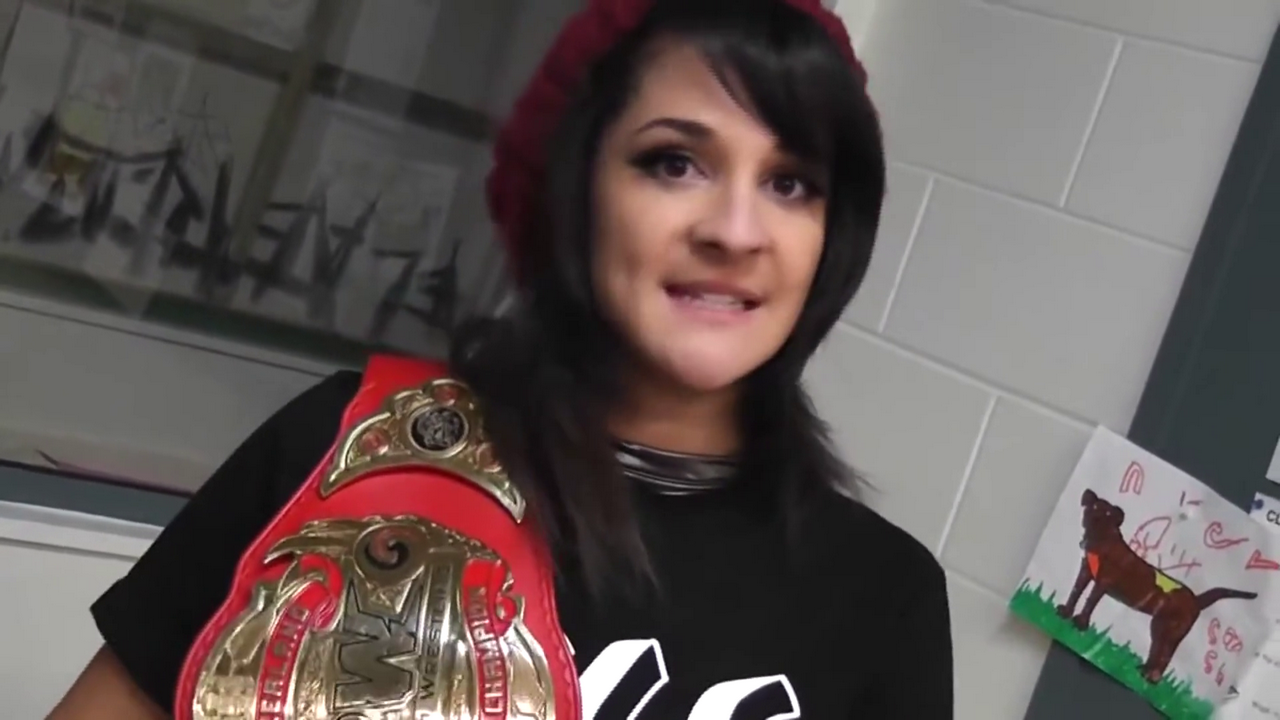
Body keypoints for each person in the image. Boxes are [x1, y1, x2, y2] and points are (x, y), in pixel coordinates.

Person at [48, 0, 953, 717]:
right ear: (574, 190)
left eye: (791, 183)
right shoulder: (348, 451)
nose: (736, 231)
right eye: (675, 163)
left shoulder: (884, 599)